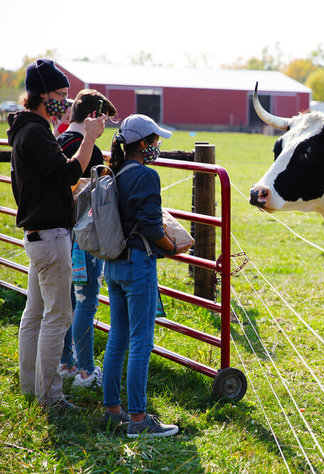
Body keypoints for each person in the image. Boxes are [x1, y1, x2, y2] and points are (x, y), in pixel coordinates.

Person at [7, 58, 106, 409]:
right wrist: (90, 138)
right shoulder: (35, 132)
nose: (64, 102)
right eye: (60, 95)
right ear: (41, 94)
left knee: (34, 314)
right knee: (57, 317)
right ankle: (50, 397)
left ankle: (31, 387)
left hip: (39, 236)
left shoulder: (27, 129)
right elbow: (66, 172)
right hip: (50, 237)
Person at [101, 114, 190, 436]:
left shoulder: (115, 172)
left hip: (114, 264)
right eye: (154, 141)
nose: (157, 146)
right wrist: (173, 247)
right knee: (141, 341)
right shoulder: (146, 176)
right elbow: (152, 227)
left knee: (118, 336)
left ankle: (113, 409)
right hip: (139, 264)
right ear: (142, 144)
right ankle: (138, 421)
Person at [56, 90, 118, 388]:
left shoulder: (60, 142)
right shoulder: (88, 150)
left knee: (69, 298)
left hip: (61, 232)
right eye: (104, 117)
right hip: (84, 237)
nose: (106, 124)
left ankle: (65, 362)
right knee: (87, 300)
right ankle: (85, 370)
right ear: (95, 116)